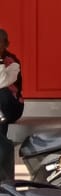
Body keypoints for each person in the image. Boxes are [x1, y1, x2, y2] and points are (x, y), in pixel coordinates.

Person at [0, 28, 22, 177]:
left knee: (3, 93)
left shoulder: (13, 62)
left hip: (12, 106)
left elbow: (2, 82)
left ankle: (2, 138)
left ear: (6, 44)